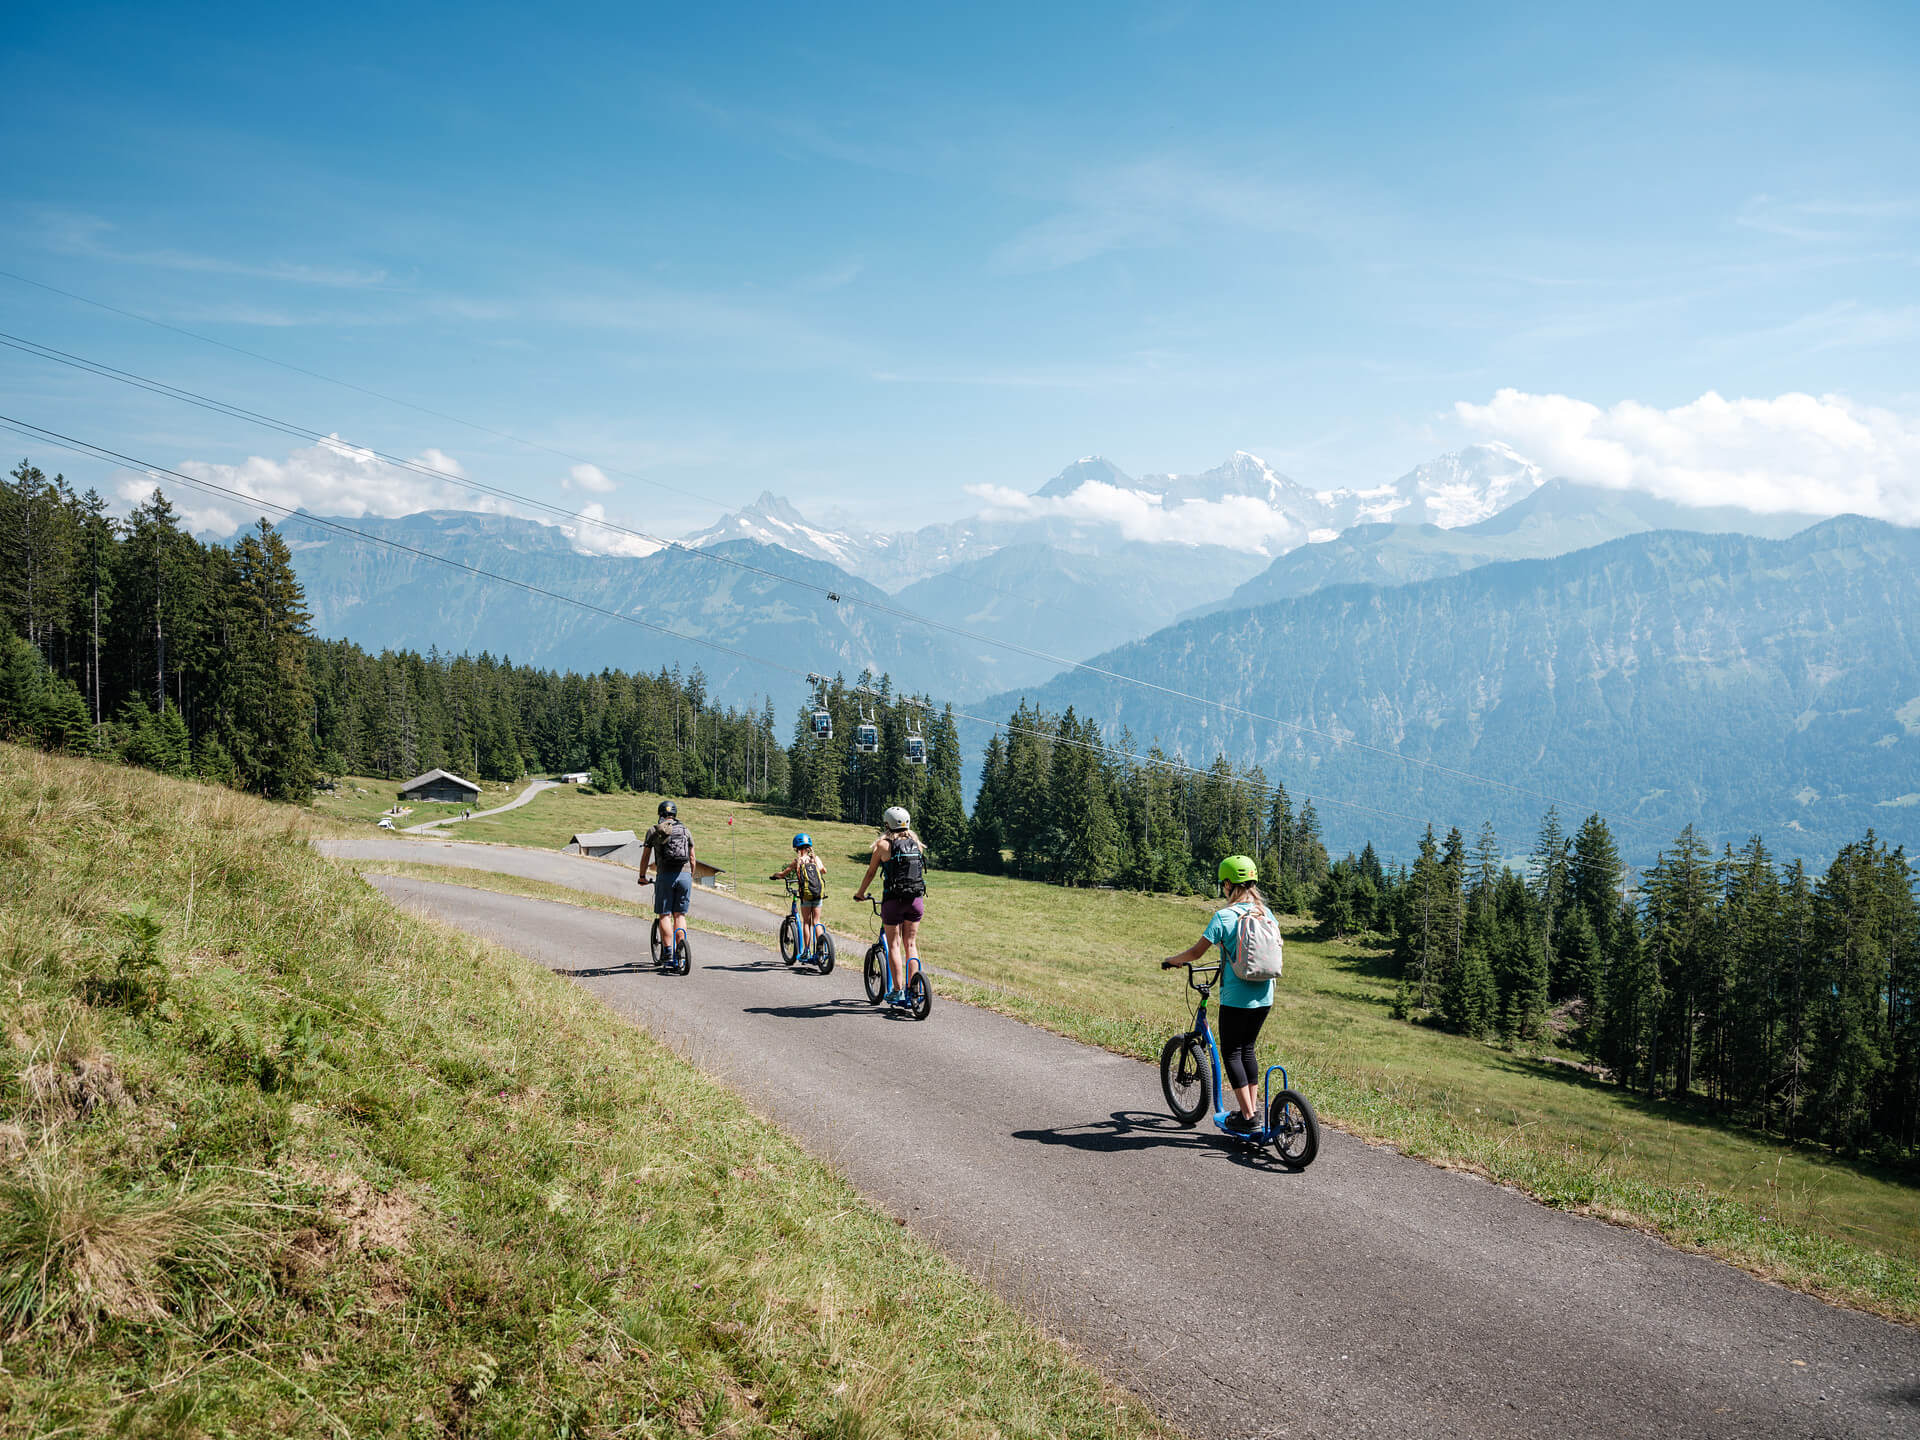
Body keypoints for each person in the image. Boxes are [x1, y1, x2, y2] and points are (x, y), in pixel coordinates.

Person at [1159, 855, 1276, 1134]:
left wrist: (1173, 960)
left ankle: (1248, 1117)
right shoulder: (1267, 914)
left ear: (1227, 884)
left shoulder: (1224, 916)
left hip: (1237, 998)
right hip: (1266, 995)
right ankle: (1254, 1110)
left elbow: (1197, 953)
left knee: (1232, 1051)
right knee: (1247, 1048)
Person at [852, 805, 925, 1004]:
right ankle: (915, 988)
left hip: (893, 901)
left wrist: (860, 894)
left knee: (894, 944)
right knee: (911, 944)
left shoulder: (883, 845)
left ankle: (898, 990)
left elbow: (871, 873)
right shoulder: (916, 843)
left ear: (887, 824)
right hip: (916, 901)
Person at [637, 800, 695, 963]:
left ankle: (668, 951)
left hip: (665, 876)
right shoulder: (685, 830)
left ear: (660, 814)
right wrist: (689, 875)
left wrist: (642, 876)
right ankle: (681, 949)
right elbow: (692, 857)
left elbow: (645, 857)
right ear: (675, 814)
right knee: (680, 915)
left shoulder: (653, 831)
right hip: (684, 876)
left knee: (664, 915)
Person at [770, 832, 827, 960]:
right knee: (817, 922)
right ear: (809, 847)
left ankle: (806, 950)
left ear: (797, 848)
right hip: (818, 894)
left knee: (806, 922)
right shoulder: (815, 859)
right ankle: (821, 951)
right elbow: (824, 871)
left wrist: (775, 875)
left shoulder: (798, 861)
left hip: (806, 895)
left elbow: (783, 874)